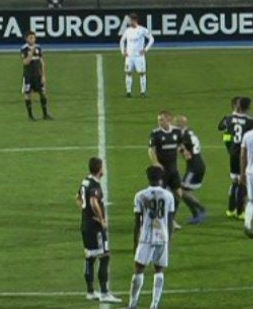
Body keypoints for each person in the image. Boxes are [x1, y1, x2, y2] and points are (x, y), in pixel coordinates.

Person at [127, 165, 175, 309]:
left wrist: (135, 243)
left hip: (146, 237)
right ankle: (154, 305)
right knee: (159, 270)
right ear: (161, 178)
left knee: (138, 269)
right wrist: (169, 240)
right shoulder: (168, 196)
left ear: (148, 178)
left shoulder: (140, 195)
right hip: (162, 236)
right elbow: (170, 221)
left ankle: (132, 304)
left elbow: (137, 222)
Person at [77, 157, 121, 303]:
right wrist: (101, 220)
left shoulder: (85, 181)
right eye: (103, 167)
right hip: (95, 228)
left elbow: (78, 199)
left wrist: (87, 213)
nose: (104, 169)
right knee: (105, 257)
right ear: (99, 169)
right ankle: (104, 292)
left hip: (85, 225)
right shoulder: (95, 185)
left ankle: (90, 291)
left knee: (89, 258)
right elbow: (93, 202)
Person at [218, 96, 253, 218]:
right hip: (244, 155)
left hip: (232, 153)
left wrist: (228, 145)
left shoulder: (228, 118)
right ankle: (240, 212)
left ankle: (230, 210)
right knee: (242, 182)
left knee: (234, 181)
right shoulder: (250, 121)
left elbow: (220, 127)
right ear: (248, 108)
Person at [148, 110, 184, 229]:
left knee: (178, 194)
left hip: (173, 170)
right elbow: (151, 150)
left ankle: (171, 220)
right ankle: (156, 220)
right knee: (158, 196)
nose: (159, 122)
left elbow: (179, 145)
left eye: (161, 119)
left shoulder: (176, 132)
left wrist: (185, 153)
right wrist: (156, 163)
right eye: (158, 120)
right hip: (161, 171)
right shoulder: (155, 133)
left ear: (168, 119)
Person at [175, 115, 208, 225]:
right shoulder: (189, 133)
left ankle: (202, 210)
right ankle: (196, 215)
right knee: (184, 192)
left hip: (195, 167)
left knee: (182, 192)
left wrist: (180, 150)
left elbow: (188, 156)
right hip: (196, 165)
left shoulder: (185, 136)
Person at [120, 13, 154, 98]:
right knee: (128, 73)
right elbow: (121, 41)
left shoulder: (142, 30)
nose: (129, 22)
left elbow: (151, 39)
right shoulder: (127, 31)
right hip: (129, 56)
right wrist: (123, 51)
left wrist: (145, 49)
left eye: (130, 20)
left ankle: (142, 92)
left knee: (142, 73)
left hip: (139, 56)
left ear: (134, 20)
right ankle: (128, 92)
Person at [20, 31, 52, 120]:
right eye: (30, 38)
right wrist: (31, 53)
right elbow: (25, 62)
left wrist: (43, 75)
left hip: (38, 75)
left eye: (33, 37)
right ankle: (30, 116)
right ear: (26, 39)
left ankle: (45, 114)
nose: (32, 39)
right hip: (28, 76)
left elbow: (41, 61)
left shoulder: (38, 47)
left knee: (42, 93)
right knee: (28, 94)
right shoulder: (24, 48)